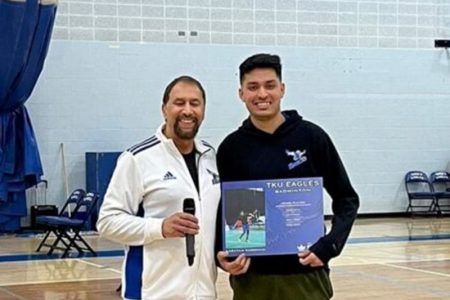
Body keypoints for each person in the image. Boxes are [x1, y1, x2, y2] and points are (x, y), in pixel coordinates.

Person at [215, 54, 359, 300]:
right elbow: (223, 210)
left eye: (269, 85)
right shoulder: (231, 149)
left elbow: (347, 199)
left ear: (282, 89)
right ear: (241, 94)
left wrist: (329, 246)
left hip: (306, 276)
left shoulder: (312, 138)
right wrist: (222, 254)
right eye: (253, 87)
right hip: (252, 280)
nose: (262, 94)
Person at [97, 75, 221, 300]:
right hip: (153, 293)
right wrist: (160, 227)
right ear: (164, 109)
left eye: (195, 103)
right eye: (179, 102)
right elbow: (107, 222)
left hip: (204, 294)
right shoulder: (137, 158)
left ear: (203, 110)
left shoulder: (210, 157)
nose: (187, 110)